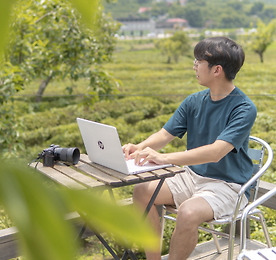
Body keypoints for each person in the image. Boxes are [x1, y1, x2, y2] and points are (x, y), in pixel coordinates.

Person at [122, 37, 257, 260]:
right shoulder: (194, 101)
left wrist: (164, 157)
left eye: (198, 60)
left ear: (217, 70)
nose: (194, 65)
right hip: (191, 176)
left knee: (188, 212)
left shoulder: (243, 108)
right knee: (142, 191)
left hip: (227, 186)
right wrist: (140, 147)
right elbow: (165, 134)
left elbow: (216, 152)